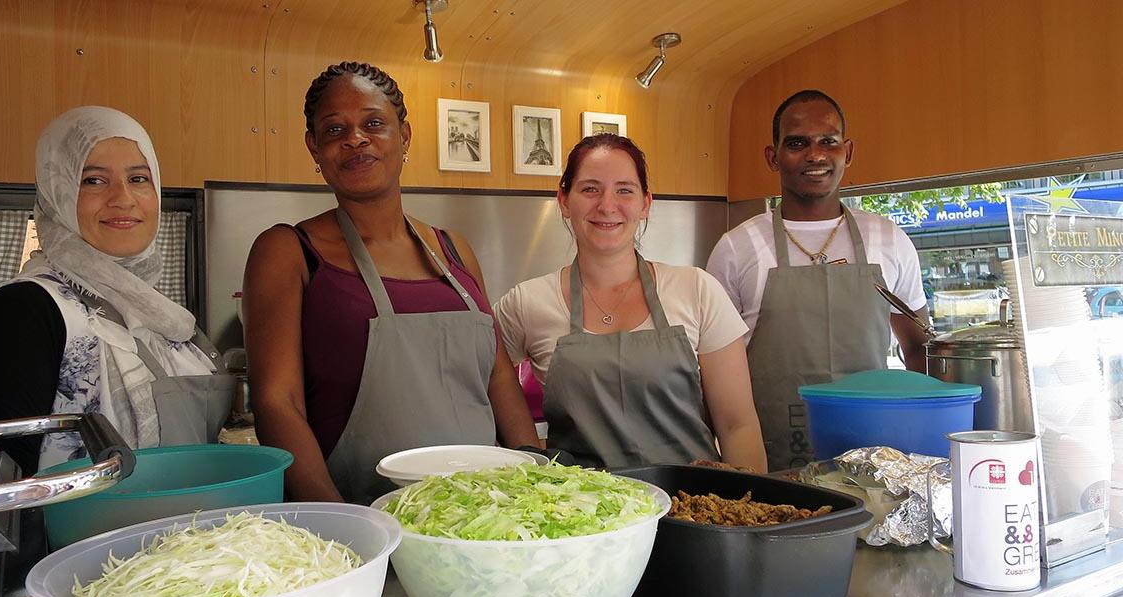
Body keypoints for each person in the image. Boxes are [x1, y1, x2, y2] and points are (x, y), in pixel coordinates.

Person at [243, 62, 540, 505]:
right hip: (363, 512)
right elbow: (276, 403)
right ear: (315, 149)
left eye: (374, 123)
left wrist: (536, 479)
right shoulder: (288, 251)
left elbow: (498, 376)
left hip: (487, 515)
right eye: (334, 129)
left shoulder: (454, 249)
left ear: (404, 137)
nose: (355, 138)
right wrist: (348, 528)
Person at [0, 106, 232, 475]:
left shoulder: (160, 315)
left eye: (139, 179)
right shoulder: (20, 314)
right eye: (94, 180)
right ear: (58, 191)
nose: (123, 198)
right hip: (83, 534)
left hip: (189, 529)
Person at [495, 133, 767, 472]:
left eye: (624, 190)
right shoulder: (526, 303)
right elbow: (488, 380)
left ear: (645, 203)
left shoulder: (697, 289)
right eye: (590, 189)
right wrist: (529, 457)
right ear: (564, 201)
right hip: (581, 514)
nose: (607, 206)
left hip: (693, 506)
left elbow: (737, 425)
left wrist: (750, 515)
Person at [706, 90, 929, 471]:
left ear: (848, 152)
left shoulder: (889, 239)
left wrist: (925, 441)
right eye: (797, 143)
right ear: (772, 157)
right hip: (769, 461)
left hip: (877, 459)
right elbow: (712, 372)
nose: (815, 154)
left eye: (829, 141)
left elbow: (919, 350)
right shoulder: (736, 247)